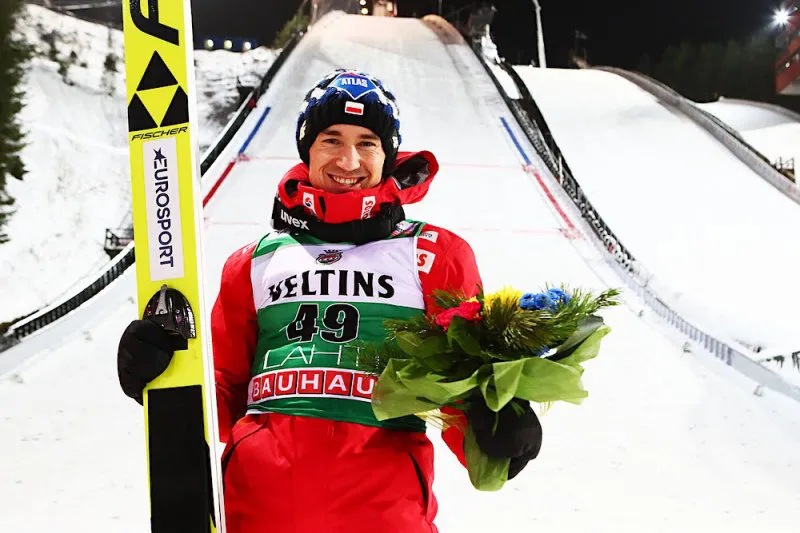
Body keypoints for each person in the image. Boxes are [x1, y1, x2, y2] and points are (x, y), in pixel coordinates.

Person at [118, 69, 542, 533]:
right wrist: (160, 377)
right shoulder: (253, 263)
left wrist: (501, 428)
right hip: (257, 509)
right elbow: (224, 393)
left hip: (385, 514)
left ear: (388, 155)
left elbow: (465, 386)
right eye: (331, 140)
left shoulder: (435, 255)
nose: (348, 159)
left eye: (367, 143)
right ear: (308, 149)